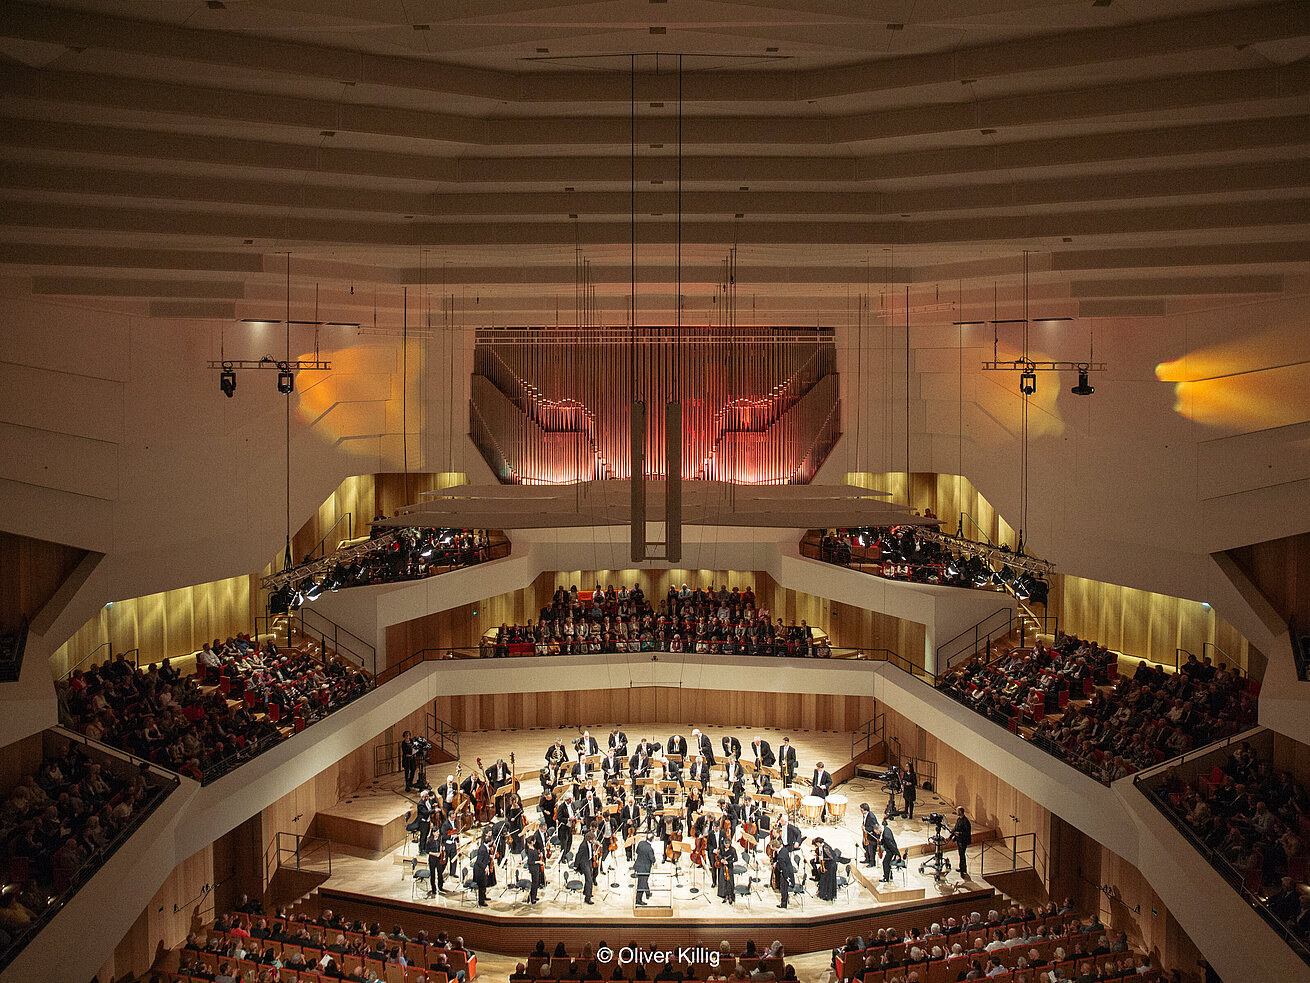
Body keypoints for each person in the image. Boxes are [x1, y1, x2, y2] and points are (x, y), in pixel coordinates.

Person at [575, 832, 598, 904]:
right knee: (589, 880)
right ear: (590, 839)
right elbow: (578, 855)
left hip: (589, 861)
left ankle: (586, 891)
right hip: (584, 863)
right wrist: (575, 866)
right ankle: (587, 898)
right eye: (593, 839)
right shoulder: (583, 845)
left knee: (590, 876)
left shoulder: (590, 843)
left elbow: (590, 851)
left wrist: (594, 853)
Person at [634, 831, 657, 906]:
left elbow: (637, 852)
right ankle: (638, 900)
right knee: (641, 883)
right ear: (652, 839)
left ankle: (647, 892)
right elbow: (652, 859)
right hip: (645, 868)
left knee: (643, 881)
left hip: (638, 865)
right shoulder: (650, 849)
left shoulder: (640, 843)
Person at [950, 806, 972, 878]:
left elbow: (967, 833)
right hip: (959, 840)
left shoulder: (966, 821)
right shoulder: (959, 819)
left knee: (962, 855)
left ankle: (963, 870)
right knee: (960, 854)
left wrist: (959, 834)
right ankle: (962, 868)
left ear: (960, 812)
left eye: (957, 811)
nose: (956, 812)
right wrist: (950, 836)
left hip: (963, 840)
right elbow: (955, 829)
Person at [772, 838, 794, 909]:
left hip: (785, 873)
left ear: (775, 847)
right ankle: (785, 901)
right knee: (784, 889)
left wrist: (787, 878)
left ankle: (783, 904)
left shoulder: (780, 857)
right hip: (789, 870)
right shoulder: (784, 850)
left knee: (783, 889)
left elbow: (784, 868)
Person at [472, 831, 492, 907]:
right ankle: (481, 901)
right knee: (481, 885)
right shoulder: (482, 849)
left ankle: (484, 896)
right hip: (479, 870)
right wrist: (485, 868)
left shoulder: (484, 847)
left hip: (482, 868)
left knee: (484, 884)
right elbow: (479, 861)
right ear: (489, 842)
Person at [525, 837, 546, 904]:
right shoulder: (530, 851)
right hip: (533, 868)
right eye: (534, 840)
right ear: (531, 842)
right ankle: (532, 898)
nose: (535, 841)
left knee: (536, 883)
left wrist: (539, 855)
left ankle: (534, 896)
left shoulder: (533, 848)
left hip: (536, 868)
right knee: (535, 883)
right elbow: (530, 862)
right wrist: (538, 862)